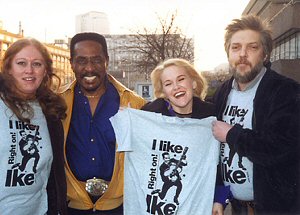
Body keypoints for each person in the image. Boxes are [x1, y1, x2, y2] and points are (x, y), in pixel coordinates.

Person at [211, 15, 300, 215]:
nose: (242, 54)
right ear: (228, 53)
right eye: (235, 47)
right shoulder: (223, 92)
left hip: (274, 209)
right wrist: (219, 194)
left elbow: (281, 148)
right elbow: (215, 151)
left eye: (252, 47)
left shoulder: (286, 91)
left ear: (265, 54)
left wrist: (232, 134)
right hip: (234, 207)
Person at [59, 32, 145, 214]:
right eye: (81, 61)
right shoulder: (57, 103)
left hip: (118, 207)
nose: (89, 68)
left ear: (107, 60)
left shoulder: (134, 104)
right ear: (72, 63)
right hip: (72, 206)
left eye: (96, 60)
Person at [141, 58, 228, 214]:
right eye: (168, 84)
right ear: (163, 92)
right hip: (162, 202)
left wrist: (219, 199)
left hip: (199, 201)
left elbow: (219, 161)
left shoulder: (211, 115)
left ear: (193, 83)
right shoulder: (150, 116)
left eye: (181, 79)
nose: (176, 87)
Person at [0, 38, 68, 215]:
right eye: (21, 63)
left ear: (45, 71)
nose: (29, 70)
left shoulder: (51, 112)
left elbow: (53, 174)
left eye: (36, 64)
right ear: (8, 68)